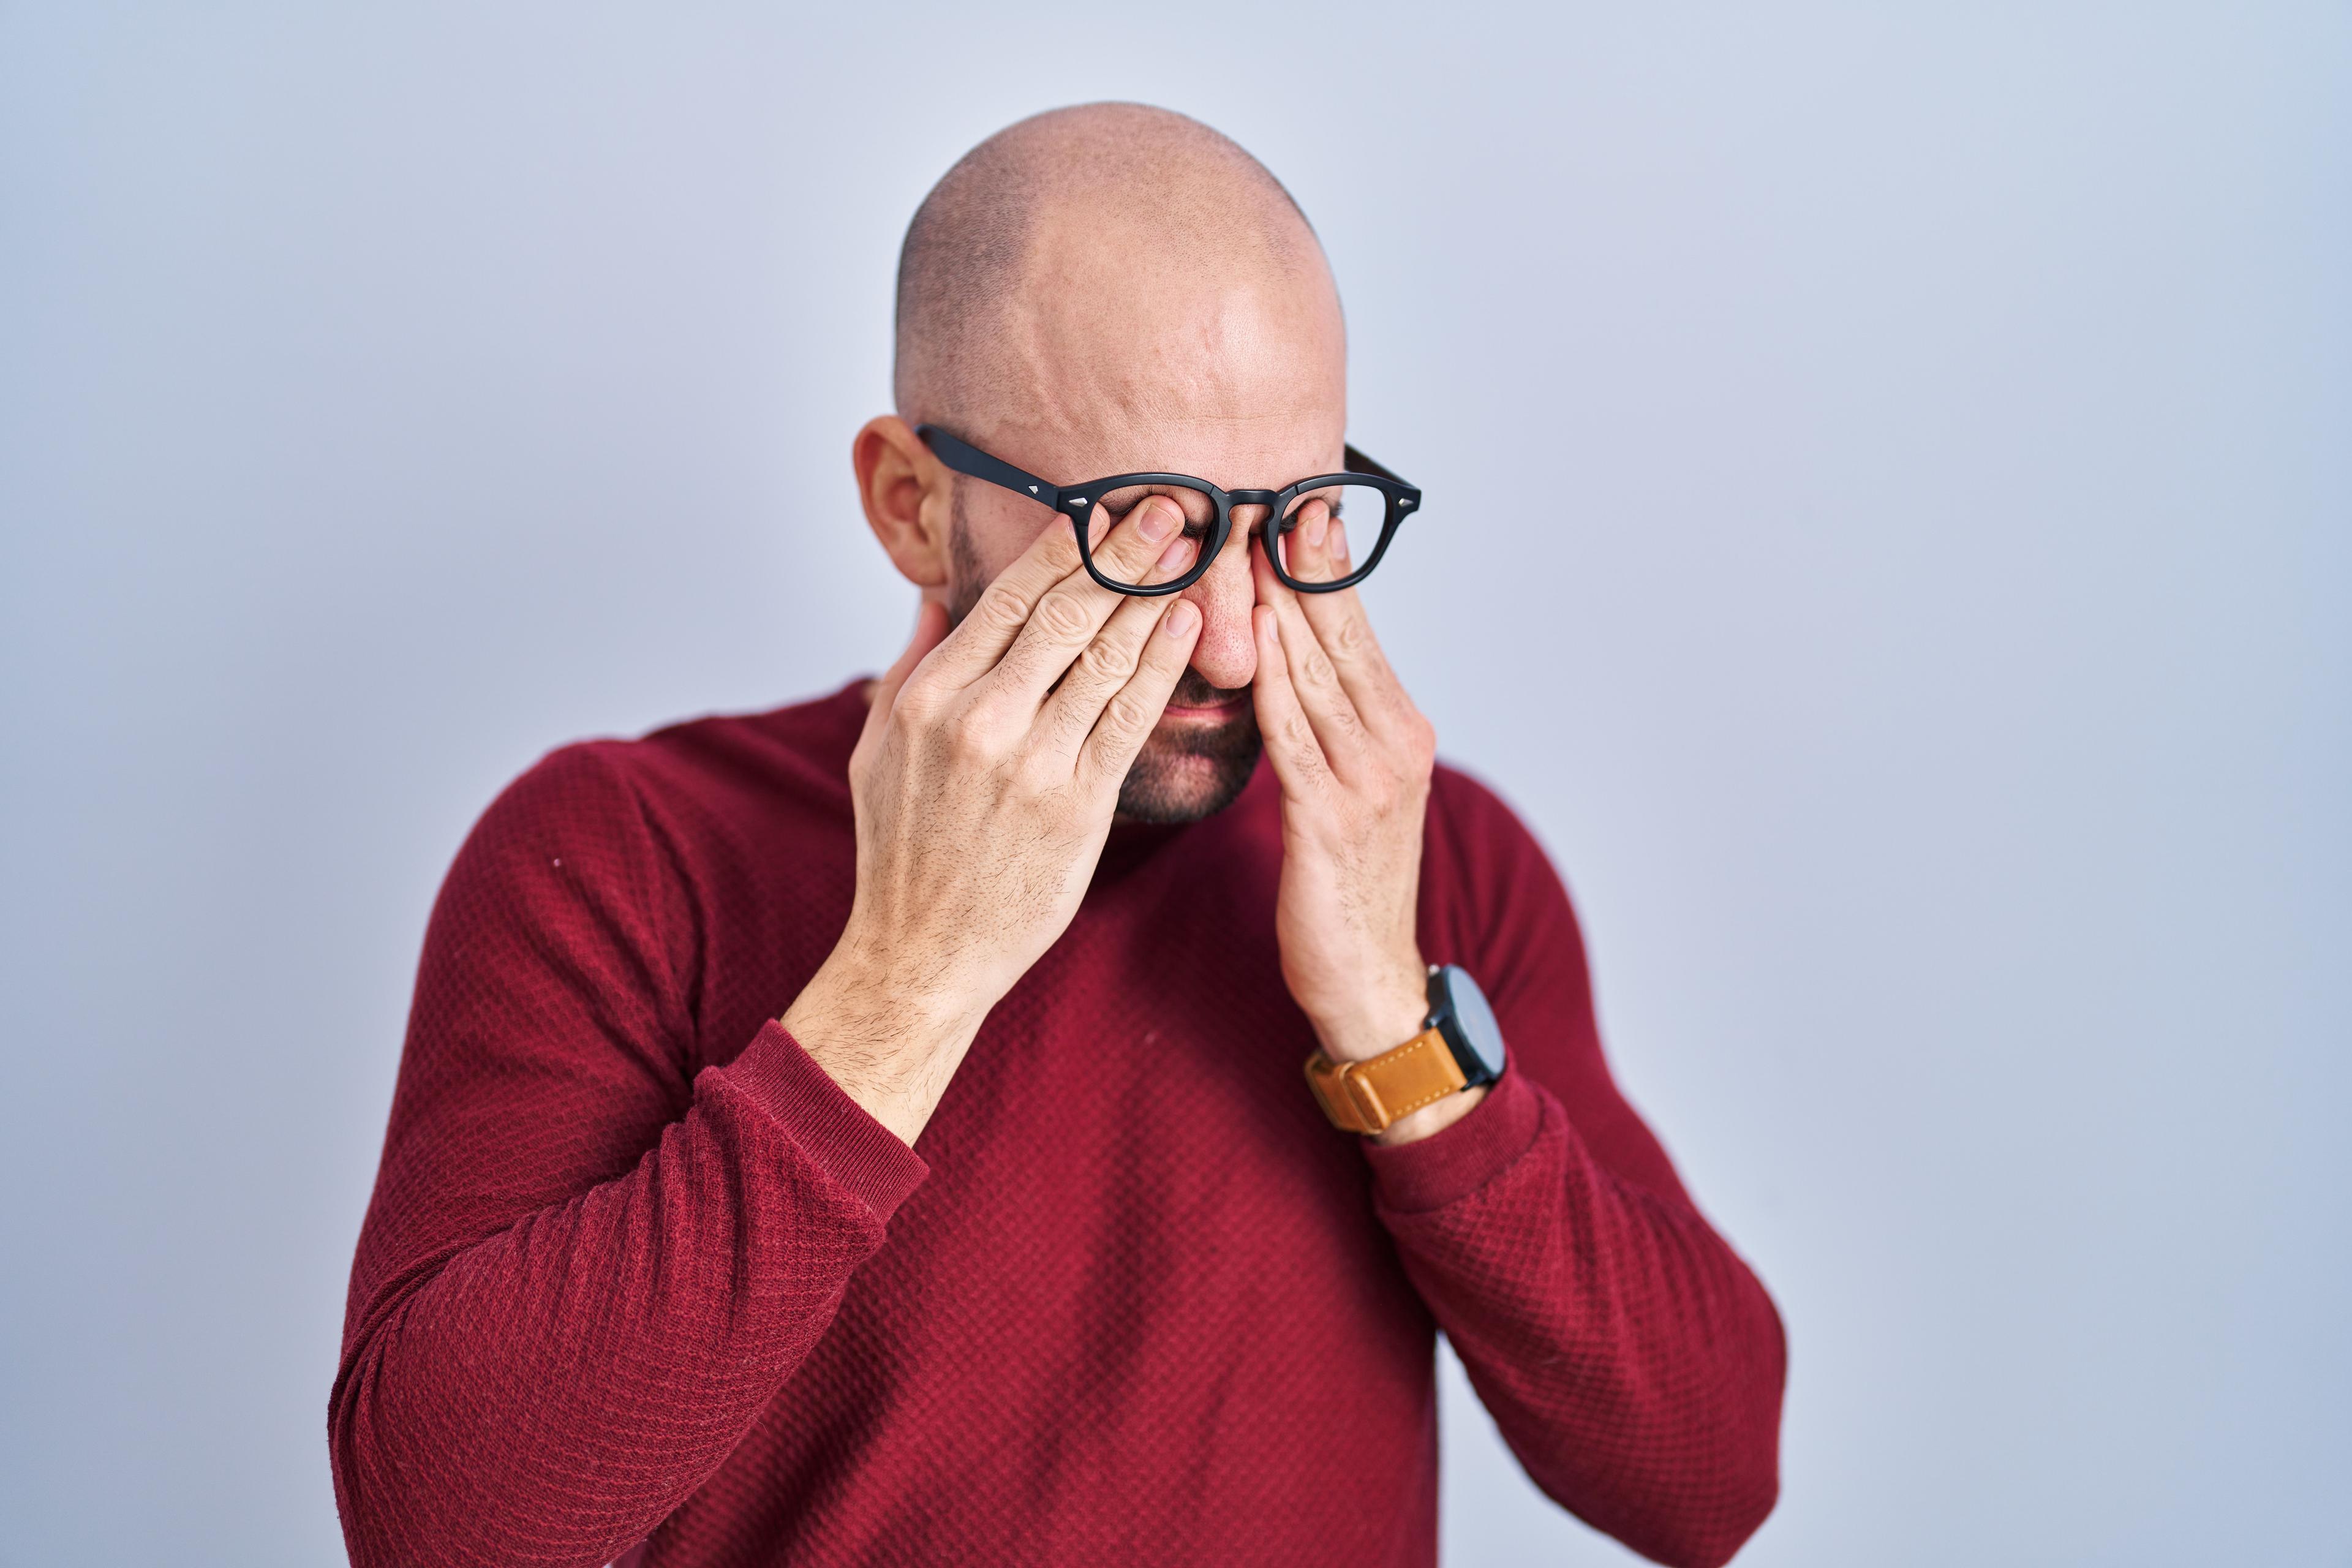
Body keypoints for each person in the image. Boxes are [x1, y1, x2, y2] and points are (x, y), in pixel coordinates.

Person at [330, 102, 1785, 1568]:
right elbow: (438, 1526)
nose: (1228, 640)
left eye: (1294, 522)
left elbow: (1709, 1477)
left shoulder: (1424, 855)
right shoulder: (628, 854)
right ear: (911, 504)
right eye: (1140, 529)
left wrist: (1389, 1023)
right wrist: (909, 972)